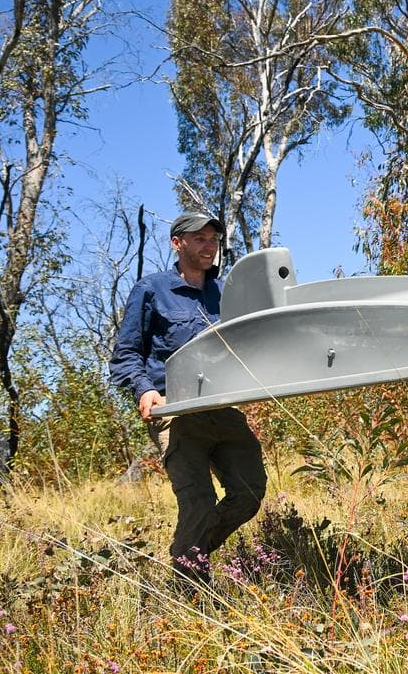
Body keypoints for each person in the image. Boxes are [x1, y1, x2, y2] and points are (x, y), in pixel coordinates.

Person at [110, 212, 267, 585]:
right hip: (175, 409)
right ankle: (190, 587)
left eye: (213, 238)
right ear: (177, 243)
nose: (208, 245)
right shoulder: (152, 290)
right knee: (197, 501)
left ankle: (187, 556)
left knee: (249, 493)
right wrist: (144, 389)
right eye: (199, 238)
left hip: (221, 406)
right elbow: (126, 352)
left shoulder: (227, 293)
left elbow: (250, 344)